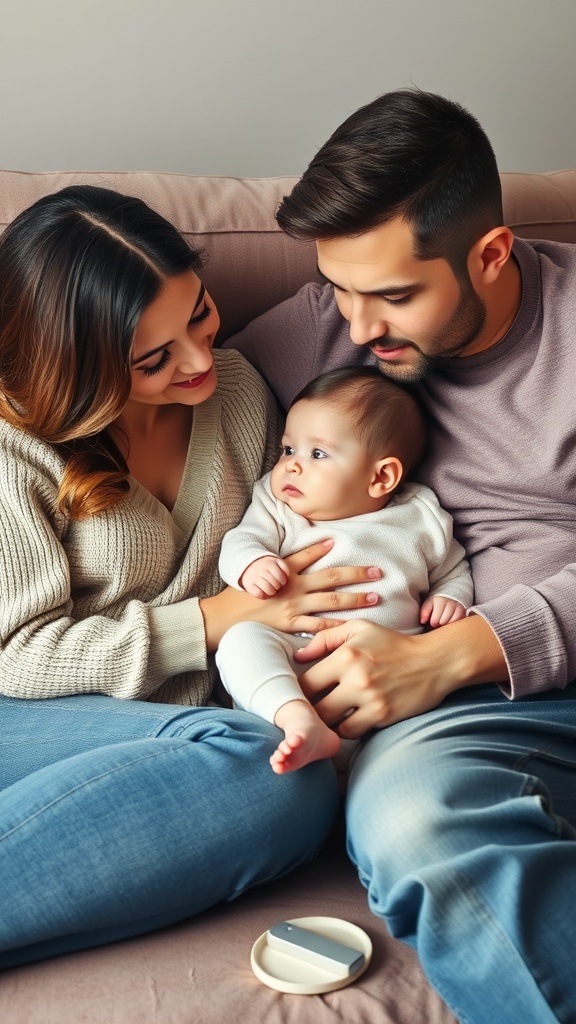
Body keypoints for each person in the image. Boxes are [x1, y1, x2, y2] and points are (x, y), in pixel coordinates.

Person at [225, 89, 576, 1024]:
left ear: (492, 253)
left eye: (393, 294)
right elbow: (139, 389)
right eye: (339, 285)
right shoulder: (320, 329)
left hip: (515, 669)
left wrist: (453, 653)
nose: (358, 326)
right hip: (461, 733)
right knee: (412, 817)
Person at [0, 184, 386, 968]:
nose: (202, 359)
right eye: (155, 357)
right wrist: (218, 618)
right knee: (264, 763)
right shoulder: (17, 445)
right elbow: (17, 655)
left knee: (291, 783)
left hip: (181, 736)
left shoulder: (243, 393)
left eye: (201, 313)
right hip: (26, 715)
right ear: (76, 365)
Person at [217, 366, 472, 774]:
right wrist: (254, 563)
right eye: (288, 450)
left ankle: (344, 769)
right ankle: (295, 718)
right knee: (240, 640)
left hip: (384, 666)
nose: (292, 466)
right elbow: (240, 540)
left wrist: (450, 598)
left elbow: (454, 568)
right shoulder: (276, 504)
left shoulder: (420, 516)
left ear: (381, 476)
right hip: (295, 653)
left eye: (317, 454)